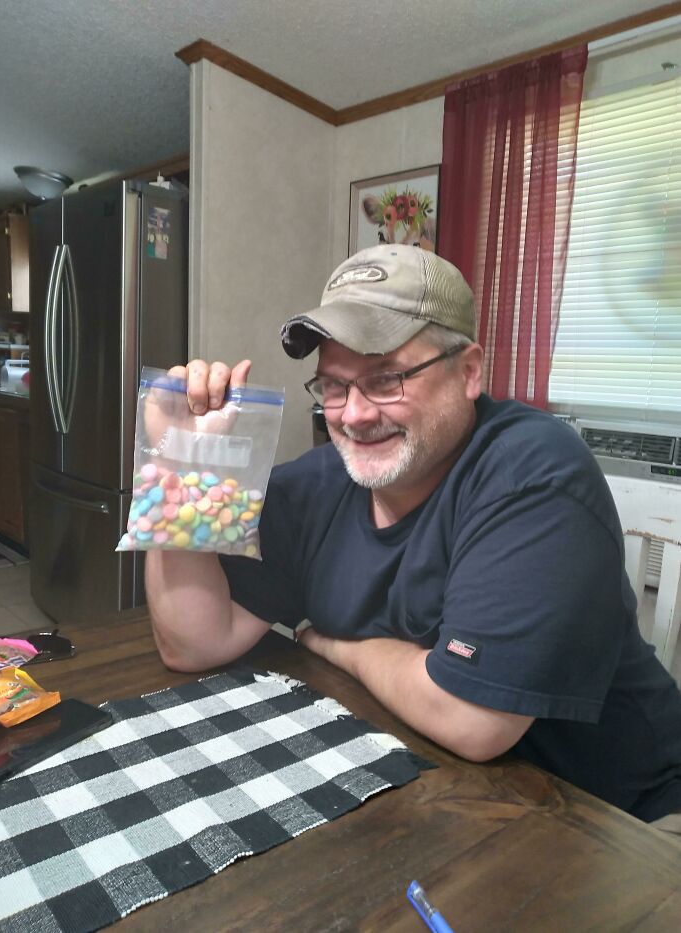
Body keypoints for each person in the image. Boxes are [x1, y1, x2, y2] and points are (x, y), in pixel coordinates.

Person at [146, 243, 681, 828]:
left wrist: (337, 646)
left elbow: (474, 721)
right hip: (432, 795)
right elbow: (193, 644)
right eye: (332, 385)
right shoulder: (315, 485)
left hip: (619, 824)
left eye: (385, 379)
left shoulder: (534, 474)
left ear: (469, 371)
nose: (352, 414)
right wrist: (181, 468)